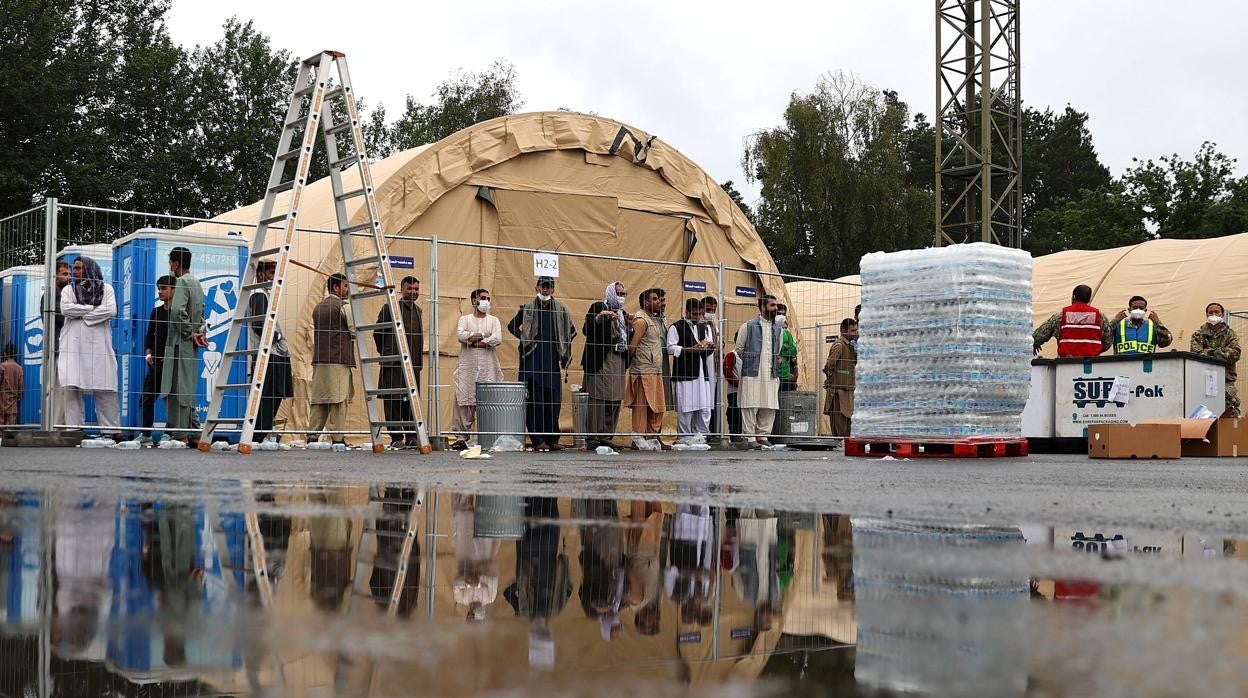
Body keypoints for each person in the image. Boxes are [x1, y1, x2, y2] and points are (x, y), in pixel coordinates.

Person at [508, 276, 576, 452]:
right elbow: (512, 326)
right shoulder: (528, 309)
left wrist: (564, 350)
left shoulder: (560, 310)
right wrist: (525, 339)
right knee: (535, 402)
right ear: (536, 287)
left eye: (549, 287)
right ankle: (538, 440)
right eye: (543, 287)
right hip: (533, 362)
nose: (546, 290)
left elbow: (571, 331)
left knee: (553, 402)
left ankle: (552, 439)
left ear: (553, 289)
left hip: (552, 361)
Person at [59, 256, 121, 437]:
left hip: (99, 346)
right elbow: (66, 309)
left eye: (78, 268)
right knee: (72, 386)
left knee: (105, 385)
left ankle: (112, 430)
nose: (74, 272)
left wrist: (83, 315)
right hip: (74, 346)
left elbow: (111, 310)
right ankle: (75, 430)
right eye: (73, 269)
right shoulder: (69, 290)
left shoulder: (106, 288)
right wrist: (92, 310)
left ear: (89, 269)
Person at [160, 247, 207, 443]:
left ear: (176, 263)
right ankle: (195, 432)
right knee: (188, 389)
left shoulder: (180, 282)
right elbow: (202, 314)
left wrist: (189, 332)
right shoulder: (196, 283)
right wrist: (199, 332)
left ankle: (181, 434)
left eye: (171, 262)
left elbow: (177, 311)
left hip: (179, 343)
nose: (170, 266)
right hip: (191, 345)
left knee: (175, 390)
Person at [372, 275, 424, 449]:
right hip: (393, 363)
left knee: (411, 400)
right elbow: (377, 334)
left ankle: (411, 436)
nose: (413, 292)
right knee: (393, 399)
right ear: (402, 289)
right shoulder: (390, 308)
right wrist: (388, 354)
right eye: (410, 288)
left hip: (413, 365)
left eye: (416, 289)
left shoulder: (418, 311)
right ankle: (396, 437)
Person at [449, 289, 504, 450]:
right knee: (464, 399)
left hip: (488, 365)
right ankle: (461, 437)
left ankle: (488, 436)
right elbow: (461, 335)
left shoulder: (494, 320)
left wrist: (475, 340)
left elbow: (497, 338)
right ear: (474, 300)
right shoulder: (464, 319)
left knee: (488, 400)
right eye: (482, 298)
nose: (486, 301)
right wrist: (485, 335)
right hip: (468, 366)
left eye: (488, 298)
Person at [246, 259, 293, 443]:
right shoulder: (259, 294)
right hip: (267, 353)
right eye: (272, 274)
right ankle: (258, 435)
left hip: (274, 353)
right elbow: (259, 324)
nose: (275, 278)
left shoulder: (266, 294)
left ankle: (263, 432)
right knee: (267, 396)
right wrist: (278, 337)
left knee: (275, 395)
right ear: (260, 275)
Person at [581, 281, 630, 450]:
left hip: (619, 360)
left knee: (615, 399)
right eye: (618, 293)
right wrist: (600, 317)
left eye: (624, 294)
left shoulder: (623, 313)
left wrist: (629, 327)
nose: (621, 297)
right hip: (601, 360)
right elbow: (586, 330)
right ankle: (593, 437)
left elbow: (626, 338)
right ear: (610, 293)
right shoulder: (597, 306)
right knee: (598, 398)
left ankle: (607, 436)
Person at [308, 273, 355, 447]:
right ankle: (337, 438)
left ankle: (312, 435)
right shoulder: (343, 306)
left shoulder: (318, 307)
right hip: (339, 359)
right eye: (345, 286)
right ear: (336, 287)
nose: (347, 290)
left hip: (319, 359)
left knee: (319, 400)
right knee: (339, 400)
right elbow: (355, 330)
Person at [734, 294, 782, 448]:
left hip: (771, 372)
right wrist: (753, 360)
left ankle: (763, 436)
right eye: (772, 305)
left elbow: (778, 349)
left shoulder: (778, 329)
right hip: (752, 371)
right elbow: (739, 349)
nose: (775, 308)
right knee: (750, 404)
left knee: (769, 404)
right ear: (762, 307)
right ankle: (749, 438)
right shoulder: (748, 326)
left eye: (776, 305)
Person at [625, 289, 668, 449]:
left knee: (657, 407)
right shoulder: (641, 320)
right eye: (655, 299)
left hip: (654, 370)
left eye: (659, 299)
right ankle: (638, 440)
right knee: (641, 408)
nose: (659, 302)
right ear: (646, 302)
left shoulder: (652, 319)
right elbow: (632, 347)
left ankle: (652, 439)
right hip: (643, 371)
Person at [667, 297, 715, 440]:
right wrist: (690, 349)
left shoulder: (703, 327)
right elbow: (670, 348)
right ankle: (685, 438)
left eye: (700, 314)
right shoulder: (676, 326)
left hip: (702, 374)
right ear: (686, 312)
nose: (698, 317)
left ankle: (700, 437)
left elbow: (706, 352)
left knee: (704, 409)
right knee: (686, 409)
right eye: (695, 314)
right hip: (685, 374)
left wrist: (710, 348)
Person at [136, 276, 174, 444]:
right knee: (146, 398)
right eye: (159, 288)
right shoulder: (156, 311)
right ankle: (145, 435)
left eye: (164, 288)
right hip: (156, 363)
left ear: (174, 290)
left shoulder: (179, 313)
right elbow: (149, 335)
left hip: (173, 363)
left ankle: (170, 433)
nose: (160, 291)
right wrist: (148, 353)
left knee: (173, 400)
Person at [1033, 284, 1112, 357]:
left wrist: (1036, 344)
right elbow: (1107, 342)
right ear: (1089, 299)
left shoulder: (1060, 316)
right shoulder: (1100, 317)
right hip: (1091, 366)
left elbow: (1039, 336)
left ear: (1073, 297)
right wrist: (1094, 351)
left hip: (1065, 365)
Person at [1191, 302, 1241, 417]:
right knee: (1202, 410)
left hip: (1225, 379)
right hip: (1202, 378)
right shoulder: (1198, 335)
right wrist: (1222, 351)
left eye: (1216, 312)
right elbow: (1196, 355)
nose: (1214, 314)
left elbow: (1234, 354)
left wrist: (1211, 351)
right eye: (1211, 312)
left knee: (1231, 410)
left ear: (1222, 314)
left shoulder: (1230, 334)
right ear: (1206, 314)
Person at [41, 261, 71, 427]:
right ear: (55, 275)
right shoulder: (52, 295)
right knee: (58, 391)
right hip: (56, 349)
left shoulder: (62, 294)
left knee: (65, 390)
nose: (68, 277)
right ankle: (56, 426)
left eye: (69, 274)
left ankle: (63, 425)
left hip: (63, 348)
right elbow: (64, 317)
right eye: (64, 274)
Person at [823, 318, 858, 438]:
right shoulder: (839, 345)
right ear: (843, 330)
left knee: (847, 421)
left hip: (848, 390)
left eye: (856, 330)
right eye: (852, 330)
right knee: (839, 422)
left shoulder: (850, 346)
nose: (855, 333)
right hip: (838, 391)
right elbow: (829, 365)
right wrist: (832, 379)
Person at [702, 295, 723, 440]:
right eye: (708, 309)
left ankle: (712, 430)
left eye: (713, 309)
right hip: (704, 366)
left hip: (715, 365)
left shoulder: (713, 324)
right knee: (705, 400)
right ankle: (705, 431)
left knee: (713, 399)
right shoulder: (701, 324)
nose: (711, 312)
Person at [776, 303, 798, 392]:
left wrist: (794, 373)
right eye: (779, 314)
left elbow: (793, 351)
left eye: (783, 314)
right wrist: (784, 349)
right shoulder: (768, 331)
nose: (782, 317)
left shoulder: (787, 333)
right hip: (773, 375)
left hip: (787, 374)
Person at [723, 348, 742, 442]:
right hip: (734, 391)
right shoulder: (731, 355)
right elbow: (728, 373)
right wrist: (740, 383)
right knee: (735, 413)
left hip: (748, 391)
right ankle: (735, 434)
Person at [0, 343, 21, 426]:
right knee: (11, 427)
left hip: (2, 399)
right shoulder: (19, 368)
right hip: (13, 400)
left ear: (5, 353)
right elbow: (20, 386)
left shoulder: (2, 366)